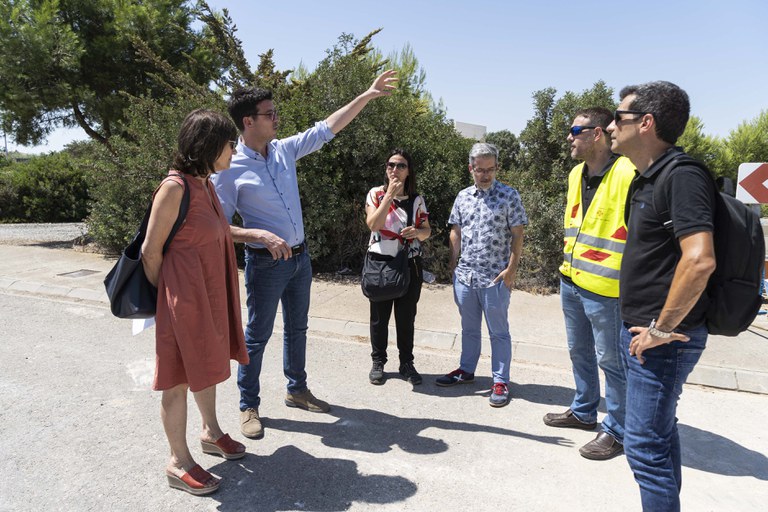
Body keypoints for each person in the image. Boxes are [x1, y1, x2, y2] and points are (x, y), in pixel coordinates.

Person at [212, 70, 398, 439]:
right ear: (248, 121)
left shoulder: (283, 149)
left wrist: (366, 94)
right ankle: (248, 405)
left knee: (298, 328)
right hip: (265, 264)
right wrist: (254, 234)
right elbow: (215, 226)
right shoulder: (229, 168)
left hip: (300, 259)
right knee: (257, 336)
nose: (276, 118)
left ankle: (296, 390)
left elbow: (328, 128)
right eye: (270, 113)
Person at [607, 81, 716, 511]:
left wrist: (661, 328)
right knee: (658, 437)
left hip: (663, 342)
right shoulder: (647, 177)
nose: (610, 126)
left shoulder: (681, 175)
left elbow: (700, 260)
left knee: (643, 448)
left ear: (646, 123)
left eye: (619, 117)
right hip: (643, 334)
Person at [141, 109, 249, 496]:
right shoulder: (174, 188)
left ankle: (211, 432)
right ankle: (178, 462)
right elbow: (150, 251)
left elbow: (213, 230)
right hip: (183, 302)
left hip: (208, 296)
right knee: (177, 379)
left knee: (206, 365)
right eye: (230, 143)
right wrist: (171, 299)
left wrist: (255, 234)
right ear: (208, 145)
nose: (234, 149)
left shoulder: (205, 184)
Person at [543, 108, 635, 460]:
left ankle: (618, 430)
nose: (569, 137)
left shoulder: (627, 172)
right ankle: (584, 411)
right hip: (571, 280)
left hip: (607, 289)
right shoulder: (575, 174)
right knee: (578, 351)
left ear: (597, 134)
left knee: (611, 361)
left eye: (575, 130)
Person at [436, 142, 527, 408]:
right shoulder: (463, 196)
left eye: (490, 169)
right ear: (471, 169)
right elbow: (456, 230)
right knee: (468, 329)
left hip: (495, 279)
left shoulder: (509, 196)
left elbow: (518, 234)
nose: (485, 175)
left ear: (497, 168)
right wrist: (453, 265)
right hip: (465, 277)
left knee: (499, 333)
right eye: (480, 170)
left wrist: (511, 271)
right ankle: (466, 370)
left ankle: (500, 381)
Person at [365, 149, 431, 385]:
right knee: (379, 318)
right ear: (386, 169)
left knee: (406, 318)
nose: (395, 169)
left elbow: (427, 231)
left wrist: (417, 232)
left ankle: (406, 363)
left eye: (401, 165)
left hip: (409, 265)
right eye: (391, 165)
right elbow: (373, 224)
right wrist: (389, 196)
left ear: (408, 171)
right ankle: (378, 361)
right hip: (380, 263)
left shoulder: (417, 200)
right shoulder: (375, 194)